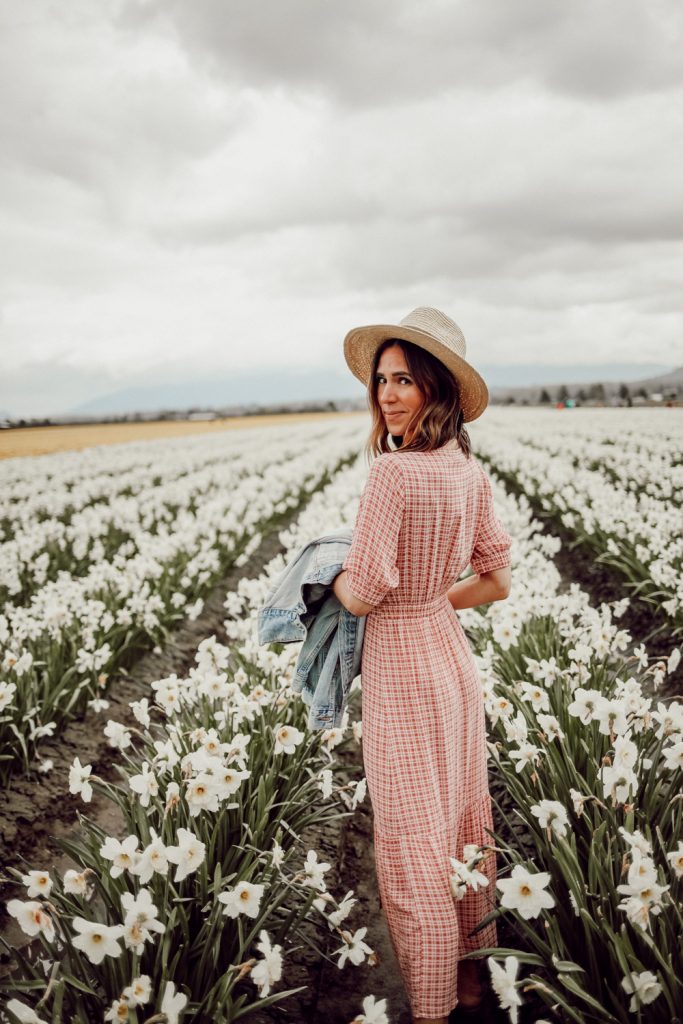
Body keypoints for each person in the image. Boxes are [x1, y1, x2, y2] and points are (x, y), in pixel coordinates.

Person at [332, 307, 512, 1024]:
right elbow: (496, 580)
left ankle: (433, 1010)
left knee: (413, 851)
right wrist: (433, 596)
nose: (388, 395)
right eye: (382, 380)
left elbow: (365, 589)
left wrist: (326, 585)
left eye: (404, 379)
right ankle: (471, 988)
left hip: (403, 675)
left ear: (436, 388)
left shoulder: (392, 475)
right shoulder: (467, 471)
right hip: (451, 665)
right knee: (465, 831)